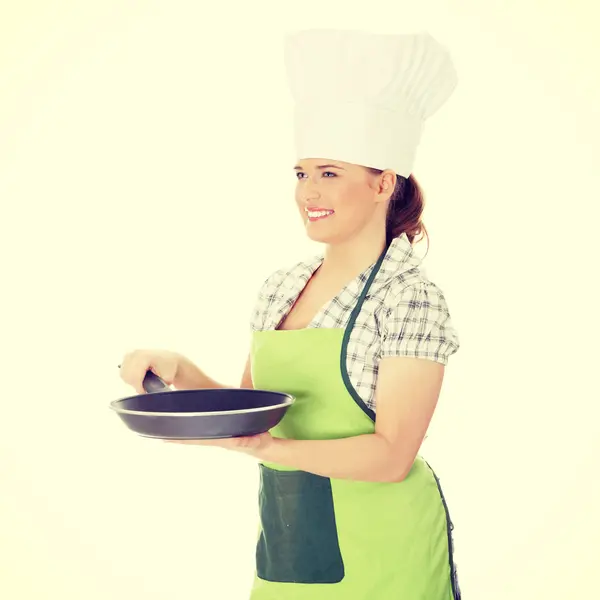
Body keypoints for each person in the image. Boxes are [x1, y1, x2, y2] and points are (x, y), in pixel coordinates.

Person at [120, 29, 462, 599]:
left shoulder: (408, 296)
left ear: (383, 183)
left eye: (330, 172)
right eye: (301, 173)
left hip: (386, 541)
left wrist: (269, 451)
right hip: (291, 543)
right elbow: (257, 413)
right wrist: (179, 373)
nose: (309, 192)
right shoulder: (280, 288)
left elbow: (391, 457)